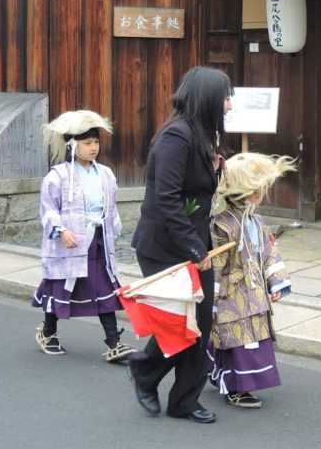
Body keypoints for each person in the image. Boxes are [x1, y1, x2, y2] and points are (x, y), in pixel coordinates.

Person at [128, 66, 233, 425]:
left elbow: (193, 187)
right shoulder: (177, 136)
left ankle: (183, 400)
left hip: (191, 243)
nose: (229, 105)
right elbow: (168, 199)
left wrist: (215, 167)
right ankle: (144, 370)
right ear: (207, 100)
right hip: (163, 247)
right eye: (225, 97)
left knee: (200, 325)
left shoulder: (201, 135)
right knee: (178, 324)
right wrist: (195, 249)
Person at [32, 109, 137, 363]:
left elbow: (110, 207)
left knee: (104, 287)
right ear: (72, 145)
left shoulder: (105, 174)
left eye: (96, 142)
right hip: (71, 241)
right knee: (62, 287)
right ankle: (48, 332)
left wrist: (114, 228)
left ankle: (113, 342)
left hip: (98, 239)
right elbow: (47, 208)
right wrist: (61, 230)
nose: (93, 148)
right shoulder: (57, 176)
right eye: (87, 143)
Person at [207, 152, 296, 409]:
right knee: (235, 340)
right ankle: (235, 387)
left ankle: (228, 377)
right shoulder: (222, 225)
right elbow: (215, 266)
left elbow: (269, 253)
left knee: (253, 339)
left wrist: (276, 282)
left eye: (261, 189)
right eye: (254, 189)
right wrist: (210, 300)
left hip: (255, 291)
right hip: (230, 292)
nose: (259, 194)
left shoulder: (257, 221)